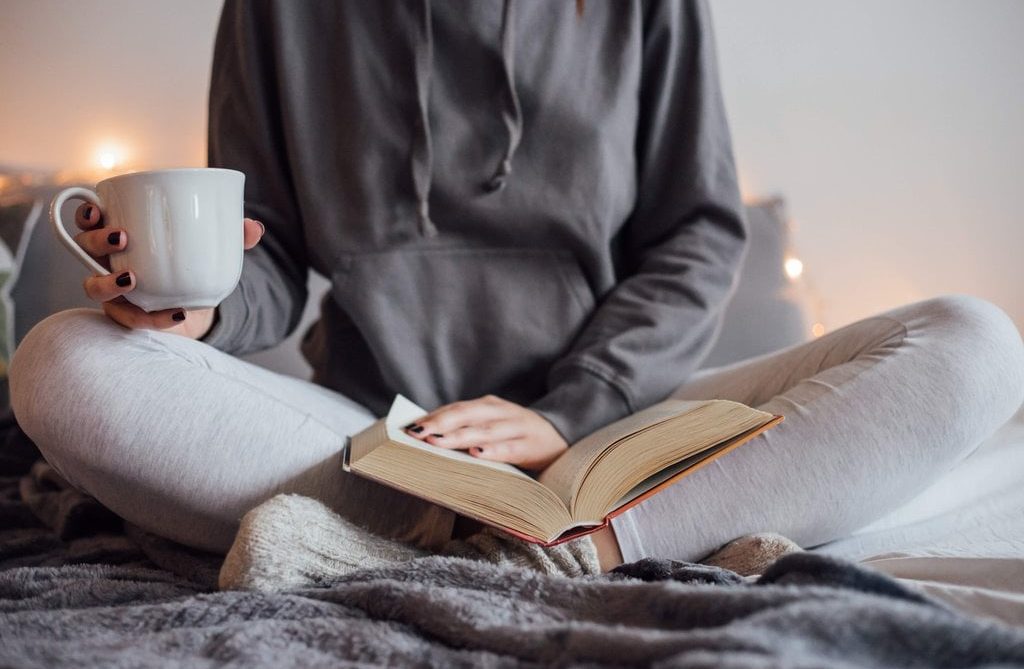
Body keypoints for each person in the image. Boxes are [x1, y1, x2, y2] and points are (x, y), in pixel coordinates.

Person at [10, 1, 1024, 588]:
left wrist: (565, 414)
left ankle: (554, 549)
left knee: (971, 342)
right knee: (61, 362)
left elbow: (697, 233)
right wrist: (204, 310)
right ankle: (559, 537)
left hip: (622, 423)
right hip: (379, 441)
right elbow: (267, 252)